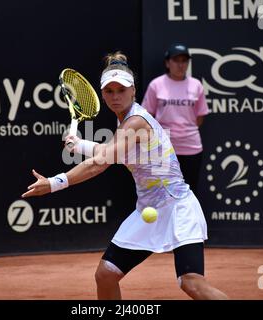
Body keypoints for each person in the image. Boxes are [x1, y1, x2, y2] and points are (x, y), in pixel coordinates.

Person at [21, 52, 228, 300]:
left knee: (191, 283)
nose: (115, 96)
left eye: (122, 89)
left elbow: (101, 163)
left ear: (133, 91)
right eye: (109, 91)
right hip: (148, 212)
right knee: (106, 274)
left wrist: (55, 183)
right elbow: (115, 153)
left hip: (178, 208)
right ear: (102, 94)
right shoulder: (126, 125)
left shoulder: (136, 122)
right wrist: (81, 145)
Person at [142, 43, 209, 194]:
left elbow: (200, 117)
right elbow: (147, 116)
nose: (180, 65)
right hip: (163, 148)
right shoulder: (156, 85)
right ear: (167, 63)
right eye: (176, 60)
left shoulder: (196, 85)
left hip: (191, 148)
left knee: (189, 192)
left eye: (184, 61)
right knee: (162, 192)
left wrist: (184, 131)